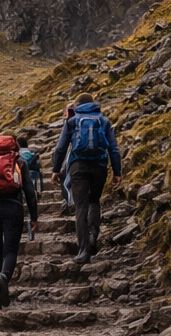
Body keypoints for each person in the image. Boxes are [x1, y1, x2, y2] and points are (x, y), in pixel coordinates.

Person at [51, 94, 122, 265]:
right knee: (94, 201)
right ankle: (93, 237)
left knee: (80, 207)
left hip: (78, 166)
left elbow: (60, 148)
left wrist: (55, 170)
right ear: (93, 104)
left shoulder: (72, 121)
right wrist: (117, 171)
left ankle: (83, 251)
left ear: (78, 105)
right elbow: (113, 148)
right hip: (99, 166)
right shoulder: (103, 121)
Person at [0, 133, 39, 308]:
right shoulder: (20, 162)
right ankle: (4, 276)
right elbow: (29, 192)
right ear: (14, 147)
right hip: (13, 208)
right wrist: (34, 216)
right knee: (10, 250)